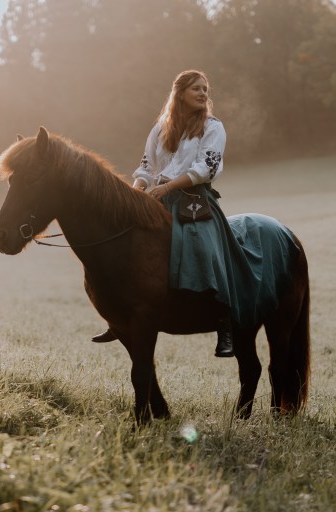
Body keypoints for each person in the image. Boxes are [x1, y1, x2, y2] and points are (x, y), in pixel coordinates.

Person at [92, 69, 234, 358]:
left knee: (205, 247)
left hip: (195, 200)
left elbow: (205, 169)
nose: (204, 93)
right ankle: (117, 317)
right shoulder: (161, 129)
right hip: (157, 196)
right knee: (122, 245)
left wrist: (167, 189)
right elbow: (145, 168)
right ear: (180, 92)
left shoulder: (212, 126)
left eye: (206, 89)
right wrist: (135, 192)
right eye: (197, 88)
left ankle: (225, 321)